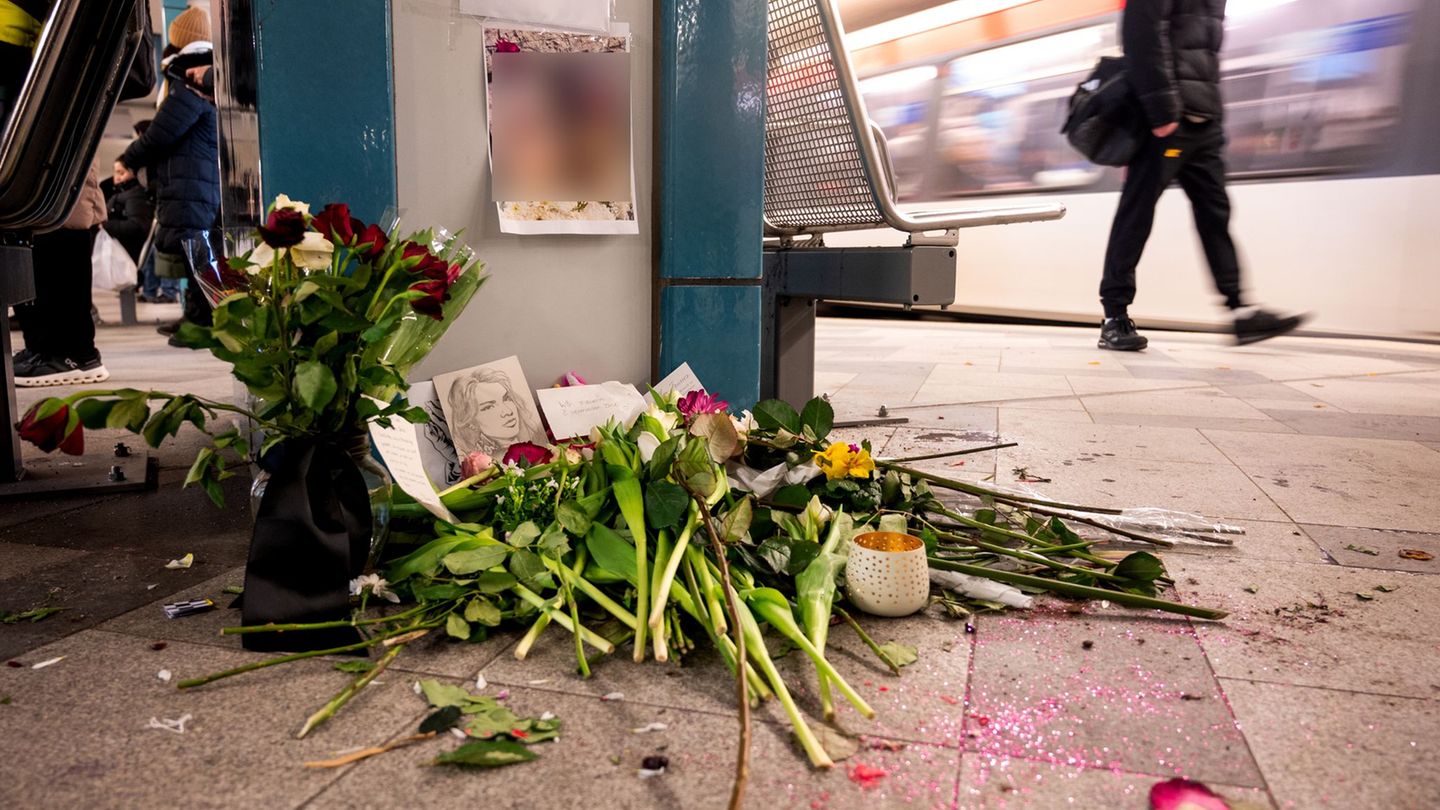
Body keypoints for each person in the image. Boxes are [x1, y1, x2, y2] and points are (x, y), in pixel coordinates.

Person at [1097, 0, 1304, 351]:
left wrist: (1214, 117)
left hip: (1204, 120)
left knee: (1215, 213)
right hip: (1165, 123)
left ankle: (1241, 310)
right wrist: (1163, 113)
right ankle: (1114, 316)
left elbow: (1204, 57)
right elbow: (1140, 34)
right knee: (1137, 215)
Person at [117, 6, 218, 341]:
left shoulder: (190, 77)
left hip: (191, 179)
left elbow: (163, 131)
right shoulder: (195, 74)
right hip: (193, 177)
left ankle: (202, 323)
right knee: (194, 251)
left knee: (197, 253)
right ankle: (194, 316)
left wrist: (129, 157)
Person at [13, 167, 110, 385]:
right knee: (42, 275)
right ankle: (43, 351)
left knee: (60, 272)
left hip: (63, 193)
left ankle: (74, 357)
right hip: (50, 194)